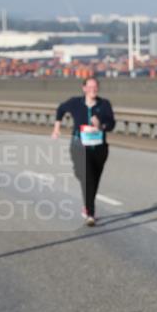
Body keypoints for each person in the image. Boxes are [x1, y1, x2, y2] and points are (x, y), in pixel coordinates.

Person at [52, 77, 116, 227]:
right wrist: (56, 128)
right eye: (90, 86)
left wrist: (101, 125)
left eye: (95, 86)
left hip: (99, 147)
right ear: (84, 88)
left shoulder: (104, 104)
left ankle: (88, 206)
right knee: (85, 176)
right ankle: (90, 213)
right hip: (79, 145)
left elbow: (112, 123)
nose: (93, 89)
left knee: (94, 179)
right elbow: (60, 109)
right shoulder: (76, 103)